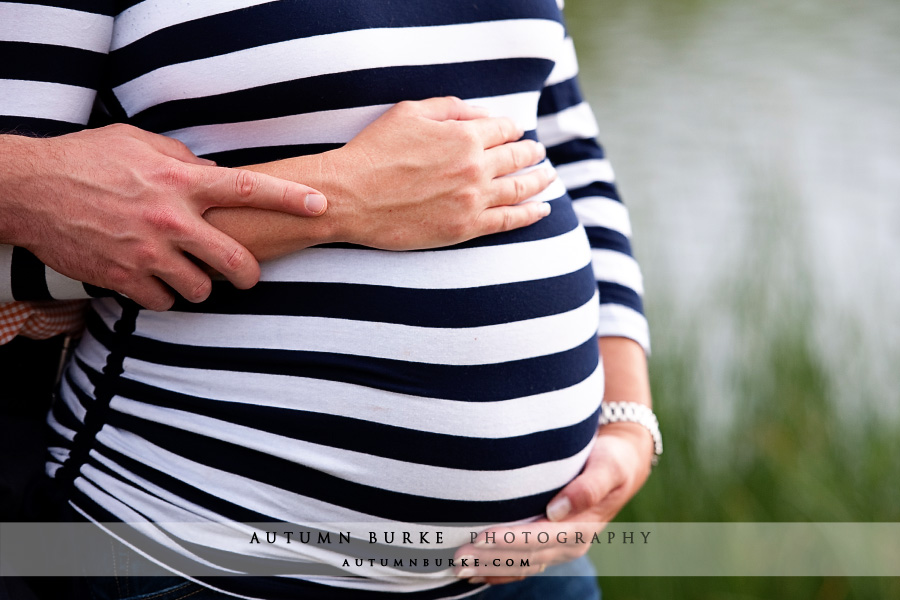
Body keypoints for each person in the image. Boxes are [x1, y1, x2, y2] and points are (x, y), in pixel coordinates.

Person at [0, 2, 657, 599]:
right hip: (196, 555)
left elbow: (564, 150)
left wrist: (628, 421)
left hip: (530, 569)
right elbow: (27, 239)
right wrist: (340, 199)